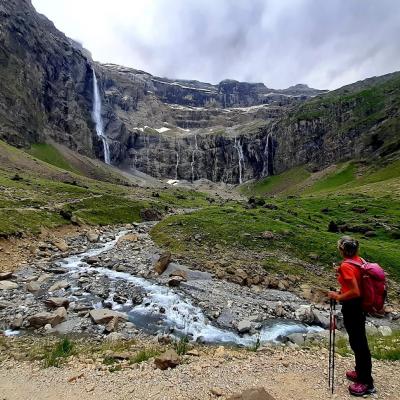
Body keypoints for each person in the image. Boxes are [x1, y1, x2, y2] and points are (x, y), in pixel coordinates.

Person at [328, 236, 376, 397]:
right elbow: (355, 280)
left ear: (342, 250)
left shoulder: (346, 266)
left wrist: (337, 296)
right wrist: (341, 273)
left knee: (359, 343)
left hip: (353, 307)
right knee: (358, 341)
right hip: (360, 306)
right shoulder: (358, 260)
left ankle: (366, 382)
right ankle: (360, 372)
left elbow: (354, 291)